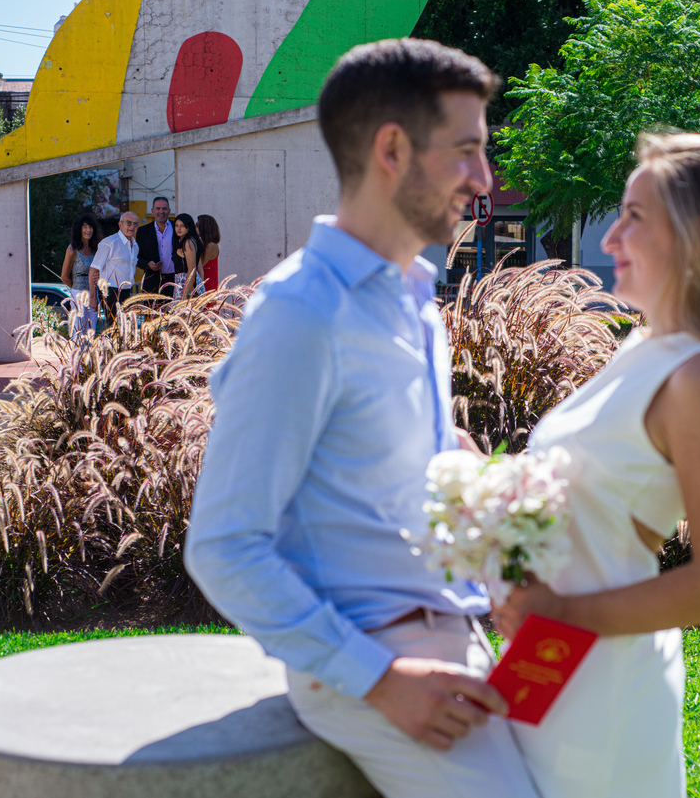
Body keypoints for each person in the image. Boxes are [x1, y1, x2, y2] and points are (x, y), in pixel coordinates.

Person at [185, 39, 539, 798]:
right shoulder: (300, 312)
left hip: (454, 630)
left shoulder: (412, 298)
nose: (484, 179)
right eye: (468, 151)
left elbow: (404, 474)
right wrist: (378, 680)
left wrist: (496, 551)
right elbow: (223, 544)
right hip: (377, 662)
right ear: (391, 148)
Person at [491, 133, 700, 798]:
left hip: (602, 685)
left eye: (634, 216)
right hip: (548, 663)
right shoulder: (642, 349)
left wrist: (562, 609)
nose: (610, 237)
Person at [88, 212, 140, 320]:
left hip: (126, 291)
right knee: (115, 328)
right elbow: (93, 269)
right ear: (120, 225)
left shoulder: (135, 245)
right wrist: (93, 297)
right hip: (110, 292)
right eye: (129, 223)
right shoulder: (109, 243)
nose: (132, 227)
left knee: (126, 328)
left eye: (135, 224)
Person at [61, 213, 100, 336]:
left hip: (94, 294)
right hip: (78, 294)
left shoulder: (96, 249)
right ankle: (78, 355)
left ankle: (90, 355)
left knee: (91, 330)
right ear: (79, 229)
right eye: (84, 227)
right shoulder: (72, 249)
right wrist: (76, 288)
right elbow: (64, 276)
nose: (88, 230)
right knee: (78, 331)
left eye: (90, 227)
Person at [136, 196, 176, 297]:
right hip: (152, 282)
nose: (161, 211)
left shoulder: (177, 228)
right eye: (158, 208)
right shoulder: (142, 231)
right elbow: (136, 257)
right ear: (152, 211)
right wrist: (148, 264)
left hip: (174, 281)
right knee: (152, 312)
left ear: (169, 211)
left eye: (164, 208)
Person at [172, 212, 204, 300]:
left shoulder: (188, 242)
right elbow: (200, 268)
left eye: (182, 226)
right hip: (187, 284)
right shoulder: (191, 241)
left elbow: (192, 268)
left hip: (186, 285)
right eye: (176, 225)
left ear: (188, 227)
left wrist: (185, 294)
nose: (178, 228)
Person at [196, 214, 220, 290]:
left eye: (197, 225)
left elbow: (200, 264)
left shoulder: (211, 246)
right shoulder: (204, 244)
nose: (194, 228)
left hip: (208, 288)